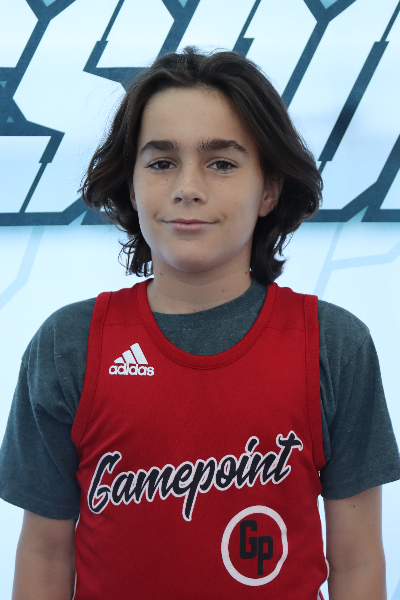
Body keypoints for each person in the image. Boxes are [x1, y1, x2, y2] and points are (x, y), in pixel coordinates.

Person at [1, 47, 399, 600]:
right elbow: (44, 553)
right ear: (131, 184)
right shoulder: (68, 345)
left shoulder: (334, 345)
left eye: (221, 163)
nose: (188, 186)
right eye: (162, 162)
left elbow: (357, 562)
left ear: (269, 189)